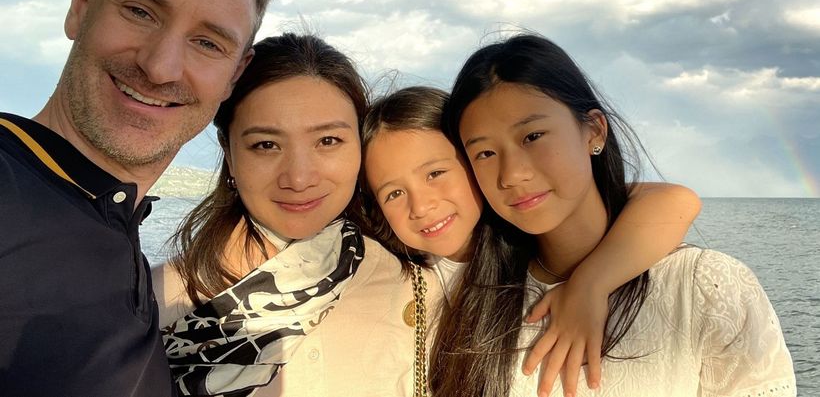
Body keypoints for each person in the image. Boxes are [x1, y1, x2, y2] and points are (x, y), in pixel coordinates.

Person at [0, 0, 284, 395]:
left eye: (207, 42)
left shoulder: (112, 224)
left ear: (234, 76)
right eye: (140, 11)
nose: (160, 67)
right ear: (81, 6)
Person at [441, 33, 796, 397]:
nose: (512, 175)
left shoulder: (703, 287)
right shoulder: (470, 297)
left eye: (532, 136)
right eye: (485, 153)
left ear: (594, 131)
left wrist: (590, 283)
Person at [362, 86, 701, 396]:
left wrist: (589, 284)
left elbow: (675, 200)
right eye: (394, 193)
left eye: (435, 174)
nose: (421, 206)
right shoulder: (391, 269)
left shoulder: (528, 241)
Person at [151, 34, 441, 397]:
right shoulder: (151, 303)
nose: (299, 178)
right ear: (229, 155)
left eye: (328, 141)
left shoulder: (416, 288)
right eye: (266, 145)